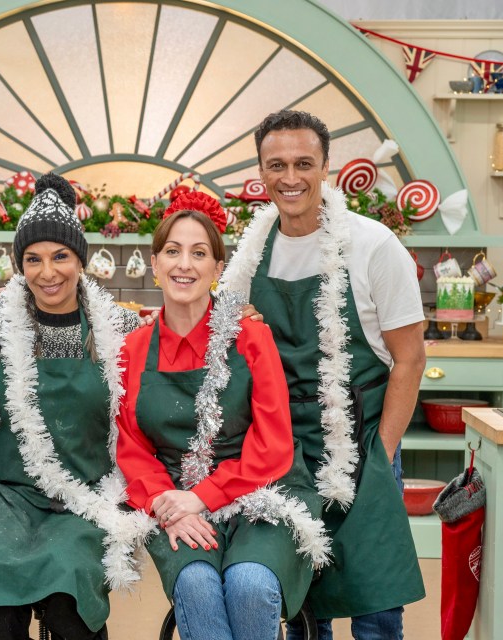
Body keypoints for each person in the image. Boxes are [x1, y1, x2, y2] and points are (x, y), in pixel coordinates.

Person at [220, 109, 426, 639]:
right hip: (285, 446)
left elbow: (410, 359)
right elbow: (225, 348)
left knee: (374, 601)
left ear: (326, 167)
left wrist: (379, 451)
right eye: (277, 165)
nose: (291, 178)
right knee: (304, 601)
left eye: (304, 163)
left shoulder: (374, 246)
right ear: (260, 172)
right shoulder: (249, 255)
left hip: (363, 432)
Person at [115, 191, 328, 640]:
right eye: (172, 252)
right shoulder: (132, 350)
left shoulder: (250, 337)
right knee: (196, 583)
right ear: (154, 264)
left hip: (266, 489)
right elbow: (130, 446)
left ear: (217, 268)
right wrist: (165, 503)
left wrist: (205, 495)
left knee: (250, 585)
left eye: (198, 253)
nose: (184, 265)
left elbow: (274, 444)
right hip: (174, 497)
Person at [0, 173, 155, 640]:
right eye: (34, 259)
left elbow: (185, 327)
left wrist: (237, 313)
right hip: (5, 497)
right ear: (19, 264)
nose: (48, 272)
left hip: (85, 500)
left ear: (80, 259)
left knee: (71, 608)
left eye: (60, 256)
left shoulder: (120, 327)